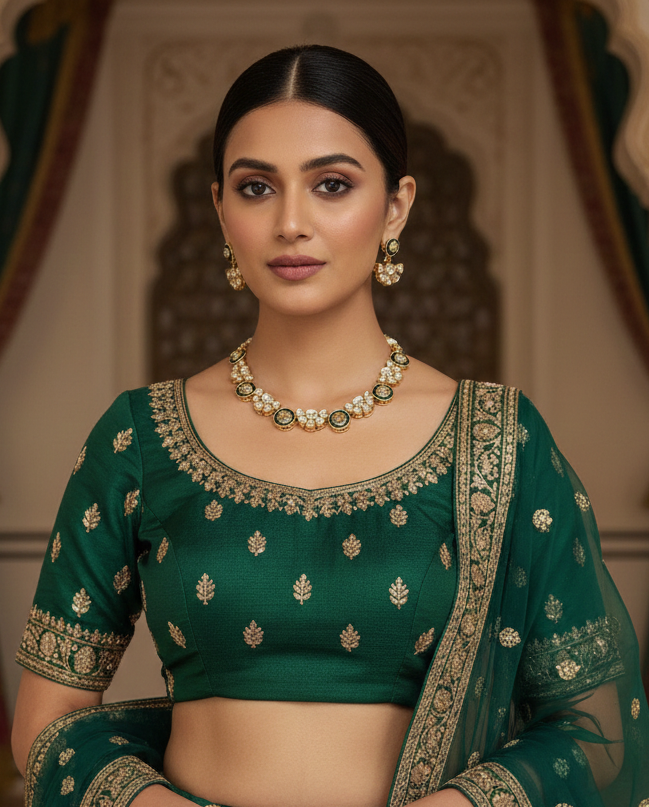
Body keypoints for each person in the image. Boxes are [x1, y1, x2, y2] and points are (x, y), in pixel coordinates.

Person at [10, 44, 649, 807]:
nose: (290, 223)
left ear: (396, 205)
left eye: (332, 185)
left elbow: (591, 728)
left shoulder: (497, 441)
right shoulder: (137, 438)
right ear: (219, 207)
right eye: (255, 187)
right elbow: (46, 723)